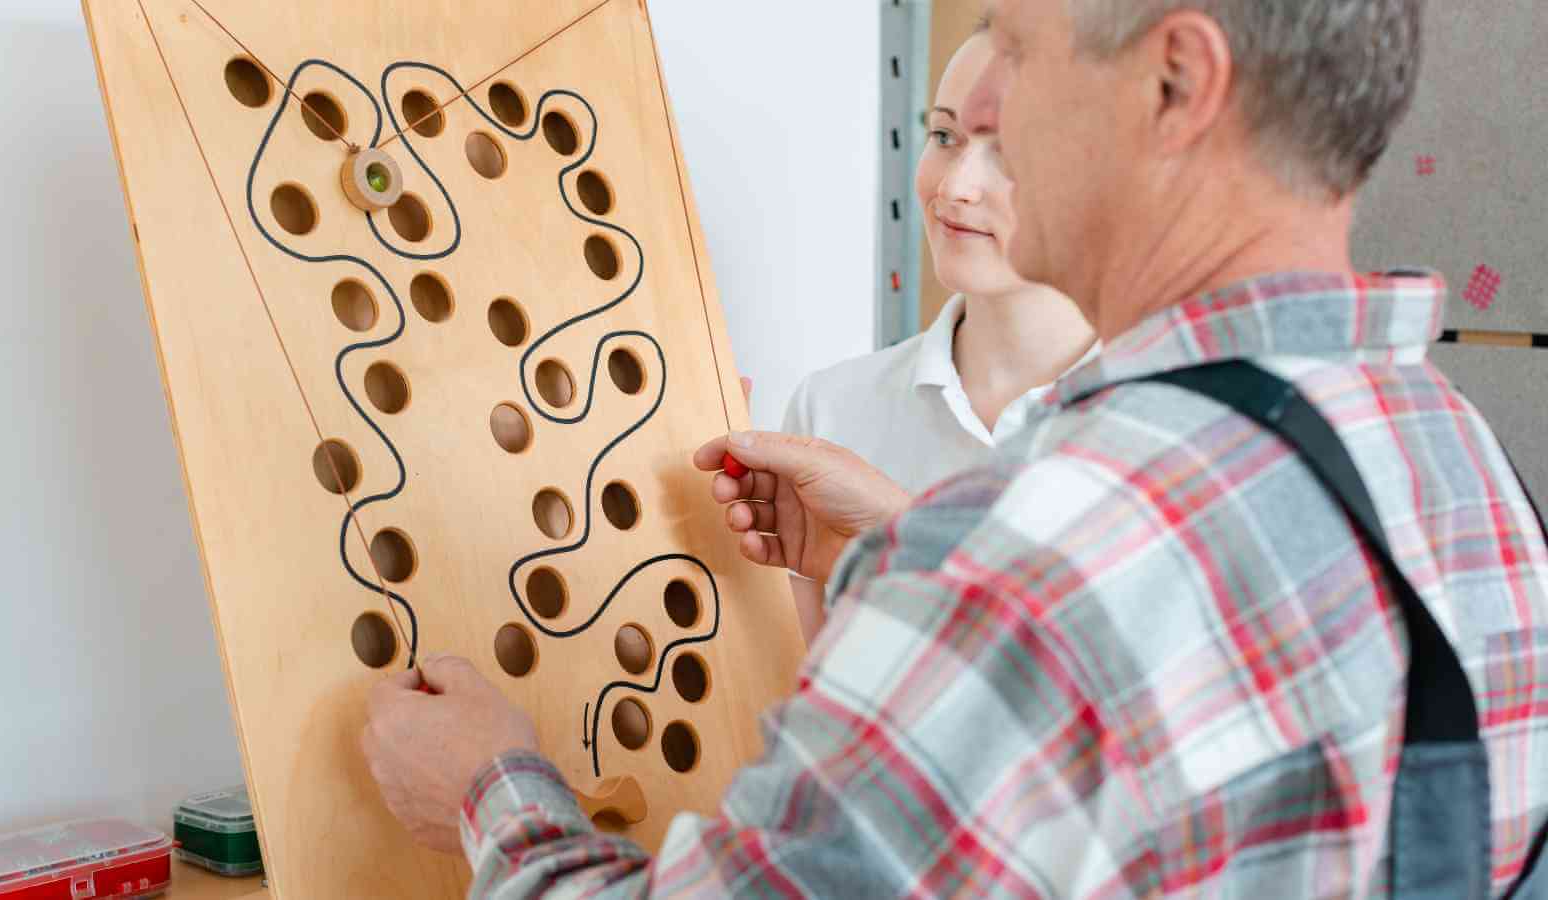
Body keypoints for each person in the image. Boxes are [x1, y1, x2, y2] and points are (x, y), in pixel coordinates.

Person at [362, 1, 1548, 896]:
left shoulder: (1033, 564)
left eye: (1017, 52)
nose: (991, 117)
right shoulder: (1453, 462)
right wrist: (906, 547)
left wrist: (487, 790)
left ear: (1175, 82)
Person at [781, 25, 1094, 640]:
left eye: (1010, 152)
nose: (954, 188)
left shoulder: (1172, 430)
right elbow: (797, 686)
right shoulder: (831, 410)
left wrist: (901, 534)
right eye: (945, 137)